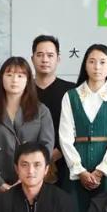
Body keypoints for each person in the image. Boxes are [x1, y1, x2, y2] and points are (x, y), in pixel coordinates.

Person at [59, 44, 107, 212]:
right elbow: (65, 137)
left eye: (102, 62)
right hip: (76, 168)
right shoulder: (70, 96)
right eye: (92, 61)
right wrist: (79, 171)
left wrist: (101, 171)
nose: (97, 67)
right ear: (85, 65)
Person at [0, 56, 55, 209]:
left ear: (28, 80)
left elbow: (46, 147)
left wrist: (24, 180)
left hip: (32, 185)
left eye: (20, 75)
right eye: (9, 74)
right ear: (1, 78)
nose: (14, 80)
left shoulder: (41, 111)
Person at [0, 142, 78, 212]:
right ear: (17, 169)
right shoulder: (4, 200)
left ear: (46, 169)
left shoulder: (62, 200)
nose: (31, 171)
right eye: (25, 165)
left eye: (37, 165)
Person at [31, 34, 75, 186]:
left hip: (64, 163)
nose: (45, 59)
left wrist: (57, 153)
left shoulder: (71, 91)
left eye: (50, 55)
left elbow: (78, 127)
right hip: (28, 165)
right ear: (32, 58)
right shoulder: (23, 90)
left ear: (58, 59)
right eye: (40, 55)